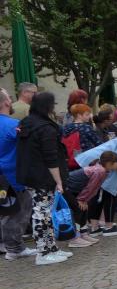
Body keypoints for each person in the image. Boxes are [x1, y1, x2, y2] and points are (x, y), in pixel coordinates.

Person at [15, 92, 71, 265]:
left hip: (31, 175)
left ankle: (51, 248)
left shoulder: (27, 123)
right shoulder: (46, 128)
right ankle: (43, 252)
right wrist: (58, 181)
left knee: (44, 212)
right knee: (42, 214)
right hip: (43, 177)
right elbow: (50, 157)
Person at [0, 88, 37, 261]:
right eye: (9, 97)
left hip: (4, 176)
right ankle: (14, 248)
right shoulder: (13, 125)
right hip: (12, 176)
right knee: (18, 211)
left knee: (6, 211)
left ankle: (8, 245)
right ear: (6, 102)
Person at [63, 151, 117, 247]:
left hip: (75, 190)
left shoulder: (104, 171)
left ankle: (83, 234)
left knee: (84, 210)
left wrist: (85, 200)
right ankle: (74, 238)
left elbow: (94, 188)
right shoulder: (100, 171)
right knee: (78, 210)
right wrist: (82, 199)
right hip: (67, 189)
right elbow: (90, 187)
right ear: (109, 163)